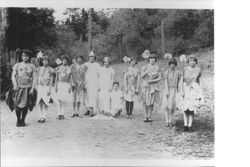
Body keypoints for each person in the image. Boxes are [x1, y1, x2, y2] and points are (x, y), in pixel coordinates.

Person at [11, 50, 37, 127]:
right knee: (17, 104)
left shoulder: (32, 66)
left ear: (29, 57)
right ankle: (18, 120)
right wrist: (15, 85)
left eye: (27, 56)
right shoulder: (17, 65)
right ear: (21, 56)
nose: (25, 57)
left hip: (27, 88)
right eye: (23, 56)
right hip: (19, 87)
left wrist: (32, 88)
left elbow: (35, 78)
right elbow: (13, 76)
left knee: (26, 105)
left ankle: (23, 120)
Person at [182, 55, 203, 132]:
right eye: (190, 61)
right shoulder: (185, 69)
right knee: (185, 108)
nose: (192, 62)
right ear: (188, 62)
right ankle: (185, 125)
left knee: (191, 108)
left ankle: (190, 125)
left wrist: (198, 92)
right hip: (186, 88)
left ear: (196, 62)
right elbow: (183, 79)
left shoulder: (198, 70)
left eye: (193, 61)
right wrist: (182, 90)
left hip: (194, 89)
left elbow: (198, 79)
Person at [161, 58, 183, 127]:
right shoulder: (166, 72)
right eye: (171, 64)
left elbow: (181, 81)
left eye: (173, 64)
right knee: (167, 106)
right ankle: (167, 120)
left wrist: (179, 90)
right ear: (169, 65)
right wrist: (167, 90)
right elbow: (165, 82)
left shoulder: (178, 72)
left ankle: (171, 120)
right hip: (168, 90)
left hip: (174, 90)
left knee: (172, 106)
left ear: (175, 65)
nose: (172, 65)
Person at [141, 54, 162, 123]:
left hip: (153, 85)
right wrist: (146, 72)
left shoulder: (157, 67)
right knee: (145, 101)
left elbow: (159, 78)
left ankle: (149, 116)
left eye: (153, 58)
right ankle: (145, 116)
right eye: (151, 58)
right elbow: (141, 76)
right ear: (149, 59)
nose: (152, 59)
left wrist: (152, 81)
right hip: (145, 85)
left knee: (151, 102)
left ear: (155, 59)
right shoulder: (145, 67)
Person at [36, 55, 54, 123]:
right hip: (40, 86)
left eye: (46, 60)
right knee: (40, 101)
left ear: (48, 61)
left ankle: (44, 116)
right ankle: (40, 116)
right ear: (42, 61)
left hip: (47, 87)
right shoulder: (39, 68)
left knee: (45, 101)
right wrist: (36, 87)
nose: (45, 61)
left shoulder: (51, 69)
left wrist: (49, 88)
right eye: (44, 60)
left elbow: (52, 79)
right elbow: (37, 77)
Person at [55, 55, 73, 120]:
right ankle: (58, 113)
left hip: (66, 84)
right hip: (60, 84)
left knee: (63, 100)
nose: (64, 61)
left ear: (67, 61)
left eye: (65, 60)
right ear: (61, 61)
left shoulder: (69, 68)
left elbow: (70, 78)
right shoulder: (58, 68)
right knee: (59, 100)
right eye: (63, 60)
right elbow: (56, 77)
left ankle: (62, 114)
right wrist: (56, 86)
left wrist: (70, 86)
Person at [83, 51, 101, 117]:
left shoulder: (97, 65)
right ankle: (88, 109)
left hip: (94, 82)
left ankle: (92, 110)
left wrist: (99, 84)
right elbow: (83, 74)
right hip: (88, 82)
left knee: (93, 96)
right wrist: (84, 83)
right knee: (87, 96)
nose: (91, 58)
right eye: (90, 57)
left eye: (93, 57)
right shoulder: (86, 64)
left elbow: (99, 75)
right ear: (88, 58)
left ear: (94, 58)